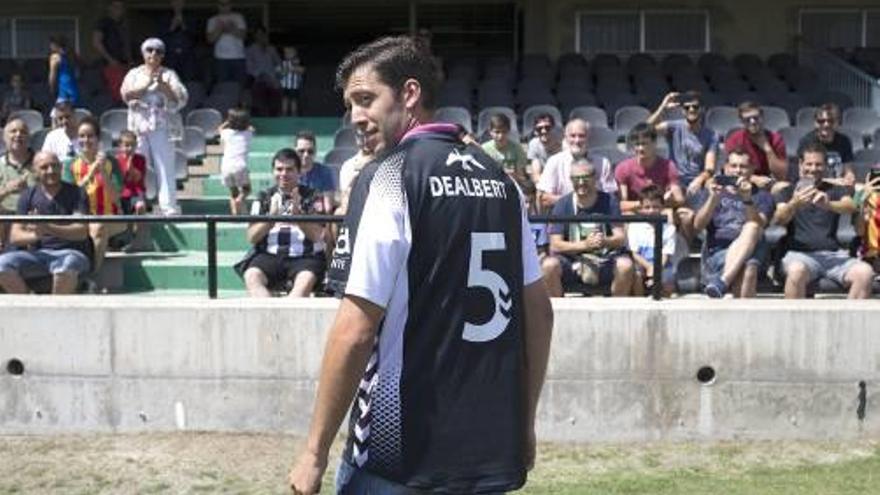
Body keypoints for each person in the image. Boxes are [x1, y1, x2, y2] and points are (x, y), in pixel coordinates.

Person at [288, 36, 552, 495]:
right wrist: (524, 425)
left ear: (410, 94)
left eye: (366, 99)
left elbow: (355, 330)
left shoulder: (389, 176)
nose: (355, 117)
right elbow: (540, 315)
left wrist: (313, 454)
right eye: (350, 104)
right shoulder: (503, 183)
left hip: (401, 457)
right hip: (489, 450)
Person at [773, 142, 874, 299]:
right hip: (799, 255)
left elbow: (850, 205)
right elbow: (779, 219)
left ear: (826, 166)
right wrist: (794, 204)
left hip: (833, 255)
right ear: (800, 164)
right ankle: (795, 324)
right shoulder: (787, 190)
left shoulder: (834, 189)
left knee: (865, 273)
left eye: (819, 164)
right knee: (796, 272)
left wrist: (828, 204)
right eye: (809, 164)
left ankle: (848, 323)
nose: (813, 169)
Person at [236, 148, 326, 297]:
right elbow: (251, 237)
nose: (284, 174)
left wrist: (299, 217)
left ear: (299, 172)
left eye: (289, 169)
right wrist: (271, 219)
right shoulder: (264, 197)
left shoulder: (313, 196)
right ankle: (271, 316)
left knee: (304, 282)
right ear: (273, 172)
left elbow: (318, 235)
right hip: (269, 255)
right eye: (279, 169)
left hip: (304, 257)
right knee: (251, 276)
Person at [541, 158, 635, 297]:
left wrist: (604, 241)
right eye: (576, 178)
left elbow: (620, 237)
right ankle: (557, 314)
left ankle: (615, 311)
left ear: (595, 177)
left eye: (585, 177)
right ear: (570, 180)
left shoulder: (610, 201)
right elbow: (555, 245)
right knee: (549, 266)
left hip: (605, 259)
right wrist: (585, 245)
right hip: (572, 261)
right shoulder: (562, 204)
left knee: (625, 266)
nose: (581, 183)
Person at [0, 151, 90, 294]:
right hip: (37, 254)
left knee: (65, 267)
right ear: (35, 171)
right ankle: (29, 308)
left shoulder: (77, 193)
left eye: (54, 166)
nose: (51, 171)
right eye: (44, 167)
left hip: (71, 253)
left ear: (61, 167)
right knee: (1, 265)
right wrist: (36, 235)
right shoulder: (28, 196)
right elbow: (15, 236)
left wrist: (47, 227)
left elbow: (81, 232)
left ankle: (55, 312)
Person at [692, 148, 775, 298]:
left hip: (753, 250)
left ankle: (723, 281)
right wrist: (713, 200)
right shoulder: (712, 192)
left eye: (743, 167)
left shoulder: (763, 196)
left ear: (752, 169)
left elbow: (760, 225)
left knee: (752, 226)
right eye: (734, 166)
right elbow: (697, 226)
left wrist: (747, 200)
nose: (738, 171)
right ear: (725, 167)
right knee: (748, 266)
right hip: (718, 252)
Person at [120, 37, 188, 216]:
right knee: (136, 165)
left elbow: (181, 98)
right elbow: (126, 95)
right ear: (143, 53)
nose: (153, 54)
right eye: (149, 50)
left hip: (162, 125)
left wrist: (164, 86)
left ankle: (168, 206)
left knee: (165, 166)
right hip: (138, 126)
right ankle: (138, 201)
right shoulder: (134, 74)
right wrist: (147, 84)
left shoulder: (169, 74)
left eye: (158, 51)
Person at [62, 117, 126, 273]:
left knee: (98, 227)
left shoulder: (112, 163)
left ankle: (92, 276)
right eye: (82, 136)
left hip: (111, 217)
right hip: (82, 217)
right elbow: (70, 197)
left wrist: (103, 171)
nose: (86, 140)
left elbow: (116, 198)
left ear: (98, 138)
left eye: (90, 136)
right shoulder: (70, 164)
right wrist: (91, 172)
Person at [647, 91, 719, 203]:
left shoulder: (711, 135)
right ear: (682, 110)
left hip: (697, 179)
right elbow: (646, 129)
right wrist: (663, 107)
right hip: (675, 179)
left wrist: (699, 180)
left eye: (695, 107)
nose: (691, 110)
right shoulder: (674, 127)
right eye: (687, 107)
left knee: (712, 187)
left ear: (702, 109)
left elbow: (710, 168)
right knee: (674, 197)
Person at [536, 118, 616, 209]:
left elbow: (610, 196)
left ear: (588, 138)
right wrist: (576, 201)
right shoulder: (554, 162)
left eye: (581, 136)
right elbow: (544, 199)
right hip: (563, 216)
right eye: (573, 136)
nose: (577, 141)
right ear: (566, 138)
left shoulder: (603, 163)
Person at [614, 123, 684, 214]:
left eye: (644, 143)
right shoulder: (623, 168)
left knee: (682, 214)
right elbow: (621, 204)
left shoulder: (668, 166)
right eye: (637, 144)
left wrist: (668, 200)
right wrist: (645, 204)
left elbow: (680, 200)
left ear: (654, 143)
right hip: (635, 213)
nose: (640, 148)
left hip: (659, 211)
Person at [627, 184, 683, 296]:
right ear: (641, 208)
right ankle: (641, 301)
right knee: (637, 276)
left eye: (656, 207)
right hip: (641, 263)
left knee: (668, 282)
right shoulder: (634, 226)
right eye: (647, 207)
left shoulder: (669, 228)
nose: (651, 211)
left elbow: (666, 254)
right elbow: (634, 253)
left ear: (662, 207)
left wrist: (655, 270)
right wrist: (648, 267)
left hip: (662, 263)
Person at [724, 101, 787, 181]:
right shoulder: (735, 139)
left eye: (756, 118)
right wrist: (754, 179)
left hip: (768, 181)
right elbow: (728, 171)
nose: (753, 122)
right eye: (747, 119)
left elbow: (781, 176)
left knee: (782, 187)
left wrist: (768, 149)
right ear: (741, 121)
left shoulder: (776, 139)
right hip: (741, 181)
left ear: (762, 117)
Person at [797, 103, 856, 187]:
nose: (826, 125)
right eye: (821, 121)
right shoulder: (806, 141)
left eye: (831, 121)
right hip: (813, 186)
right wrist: (832, 182)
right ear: (815, 123)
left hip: (839, 187)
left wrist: (850, 177)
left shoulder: (844, 141)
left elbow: (848, 170)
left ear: (838, 123)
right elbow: (803, 175)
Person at [1, 118, 35, 250]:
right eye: (13, 131)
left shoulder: (41, 164)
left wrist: (30, 194)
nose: (18, 135)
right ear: (4, 136)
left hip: (32, 218)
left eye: (23, 131)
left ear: (29, 137)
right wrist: (7, 190)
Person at [92, 0, 132, 103]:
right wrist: (110, 60)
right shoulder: (103, 23)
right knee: (117, 94)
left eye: (120, 7)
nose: (118, 10)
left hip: (125, 64)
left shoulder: (122, 24)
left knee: (128, 93)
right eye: (115, 7)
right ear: (109, 8)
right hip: (111, 65)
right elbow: (96, 42)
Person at [218, 107, 253, 214]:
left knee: (233, 191)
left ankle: (235, 214)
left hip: (226, 167)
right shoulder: (248, 134)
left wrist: (228, 122)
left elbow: (219, 128)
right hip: (240, 166)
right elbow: (252, 128)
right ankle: (240, 199)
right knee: (247, 189)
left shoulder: (226, 133)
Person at [481, 112, 530, 188]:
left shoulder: (517, 148)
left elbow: (522, 177)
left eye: (504, 132)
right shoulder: (484, 149)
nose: (500, 136)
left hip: (512, 186)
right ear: (490, 132)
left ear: (509, 131)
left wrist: (514, 175)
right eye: (497, 132)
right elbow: (481, 174)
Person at [206, 0, 247, 84]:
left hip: (238, 58)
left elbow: (243, 35)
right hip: (220, 59)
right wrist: (220, 29)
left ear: (231, 5)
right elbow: (210, 40)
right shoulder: (212, 20)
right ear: (218, 5)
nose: (224, 6)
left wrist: (230, 28)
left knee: (239, 87)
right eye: (222, 4)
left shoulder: (238, 17)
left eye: (227, 4)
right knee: (221, 87)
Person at [294, 130, 334, 214]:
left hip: (317, 219)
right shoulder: (288, 171)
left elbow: (328, 208)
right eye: (301, 151)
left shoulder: (325, 172)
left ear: (315, 151)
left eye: (310, 151)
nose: (306, 155)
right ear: (295, 151)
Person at [245, 26, 282, 117]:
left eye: (263, 35)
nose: (261, 37)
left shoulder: (271, 49)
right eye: (258, 35)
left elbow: (279, 64)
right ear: (255, 36)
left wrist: (277, 76)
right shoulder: (250, 50)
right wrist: (261, 75)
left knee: (276, 89)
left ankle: (274, 117)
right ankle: (260, 115)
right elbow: (249, 68)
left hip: (273, 79)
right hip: (258, 79)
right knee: (259, 89)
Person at [336, 130, 374, 215]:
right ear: (356, 139)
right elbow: (345, 197)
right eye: (361, 136)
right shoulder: (348, 165)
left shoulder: (386, 161)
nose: (365, 140)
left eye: (369, 135)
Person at [160, 0, 197, 83]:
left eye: (180, 2)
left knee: (188, 81)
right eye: (175, 2)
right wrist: (172, 26)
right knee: (171, 81)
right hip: (170, 56)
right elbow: (160, 36)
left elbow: (195, 36)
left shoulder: (190, 16)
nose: (177, 4)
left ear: (183, 3)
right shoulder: (165, 17)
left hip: (187, 56)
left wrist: (183, 26)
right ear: (171, 3)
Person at [526, 113, 562, 186]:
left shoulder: (562, 144)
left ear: (553, 128)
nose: (543, 131)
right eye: (539, 129)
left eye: (547, 127)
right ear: (535, 131)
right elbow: (536, 175)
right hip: (544, 182)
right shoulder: (534, 144)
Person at [48, 35, 80, 106]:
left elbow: (52, 76)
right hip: (74, 86)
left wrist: (51, 88)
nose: (50, 47)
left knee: (60, 114)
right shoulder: (72, 55)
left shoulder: (55, 57)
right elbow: (78, 72)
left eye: (51, 44)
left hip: (63, 88)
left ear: (55, 45)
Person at [277, 46, 305, 116]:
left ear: (295, 53)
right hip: (285, 85)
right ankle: (284, 114)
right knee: (285, 100)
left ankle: (294, 114)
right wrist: (284, 71)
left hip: (294, 86)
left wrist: (293, 68)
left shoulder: (298, 62)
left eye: (290, 53)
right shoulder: (282, 63)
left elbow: (302, 70)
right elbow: (278, 71)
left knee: (293, 100)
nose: (288, 54)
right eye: (286, 53)